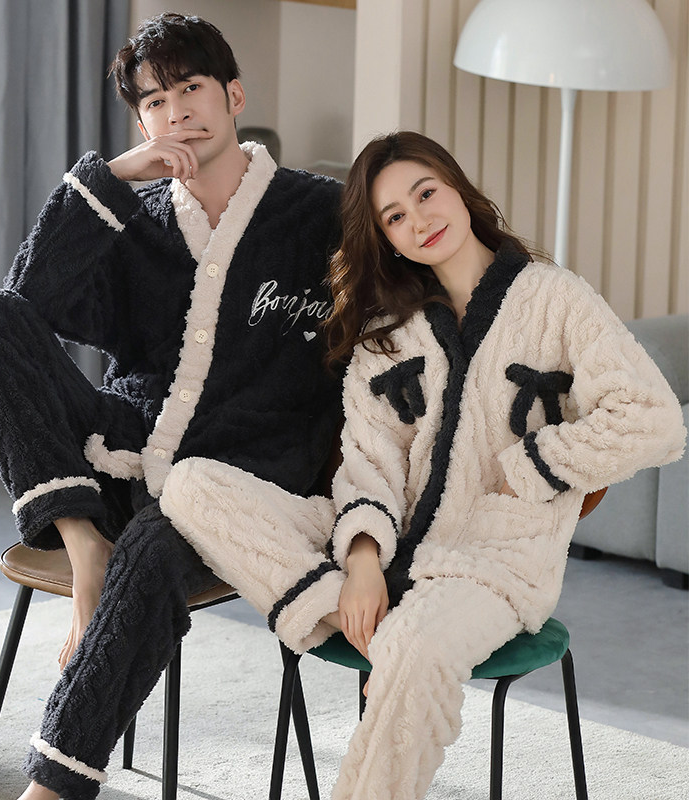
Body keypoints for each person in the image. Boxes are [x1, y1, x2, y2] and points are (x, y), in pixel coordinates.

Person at [161, 131, 687, 799]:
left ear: (458, 190)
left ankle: (391, 645)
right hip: (388, 546)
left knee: (414, 646)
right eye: (395, 217)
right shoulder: (389, 332)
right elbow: (370, 461)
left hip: (493, 566)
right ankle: (356, 616)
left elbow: (654, 418)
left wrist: (533, 463)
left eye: (426, 194)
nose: (419, 220)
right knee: (191, 484)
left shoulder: (555, 299)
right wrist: (360, 560)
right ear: (386, 240)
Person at [0, 13, 343, 800]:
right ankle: (82, 541)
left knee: (155, 555)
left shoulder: (320, 215)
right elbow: (28, 304)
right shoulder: (134, 222)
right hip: (124, 455)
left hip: (239, 485)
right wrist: (110, 179)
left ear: (233, 95)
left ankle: (49, 790)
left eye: (191, 88)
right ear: (142, 124)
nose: (177, 112)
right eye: (155, 102)